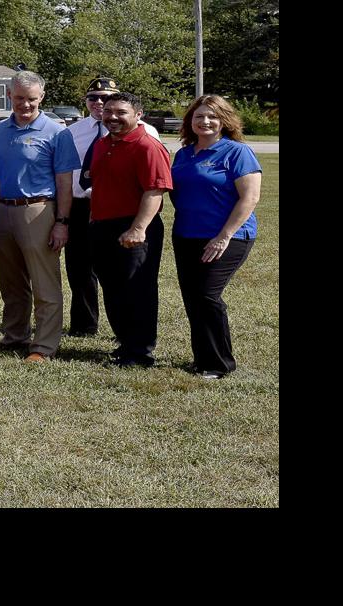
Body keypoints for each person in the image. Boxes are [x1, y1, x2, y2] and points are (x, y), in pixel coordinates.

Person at [0, 69, 78, 363]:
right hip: (2, 211)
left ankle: (44, 346)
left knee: (44, 283)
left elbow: (65, 182)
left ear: (42, 98)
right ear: (10, 96)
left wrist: (61, 223)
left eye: (32, 100)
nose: (25, 105)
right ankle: (15, 336)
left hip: (38, 211)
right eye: (20, 98)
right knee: (11, 282)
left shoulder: (57, 132)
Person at [170, 94, 262, 380]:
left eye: (212, 116)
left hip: (228, 236)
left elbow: (250, 198)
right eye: (199, 116)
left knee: (207, 295)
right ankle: (202, 359)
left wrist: (224, 235)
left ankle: (220, 364)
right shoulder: (184, 154)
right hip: (186, 234)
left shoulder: (237, 152)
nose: (205, 121)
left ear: (225, 121)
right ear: (190, 121)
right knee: (192, 297)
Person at [64, 75, 159, 337]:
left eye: (105, 98)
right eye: (93, 98)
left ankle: (131, 334)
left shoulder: (146, 133)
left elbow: (153, 182)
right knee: (79, 268)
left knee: (122, 274)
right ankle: (84, 325)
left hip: (123, 210)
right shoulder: (73, 131)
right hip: (80, 206)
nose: (99, 103)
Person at [88, 92, 172, 367]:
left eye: (120, 112)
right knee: (113, 288)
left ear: (138, 115)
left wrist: (138, 229)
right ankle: (125, 343)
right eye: (108, 111)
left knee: (138, 289)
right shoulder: (103, 144)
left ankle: (140, 351)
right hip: (103, 226)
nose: (112, 117)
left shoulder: (147, 146)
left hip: (135, 226)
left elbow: (155, 190)